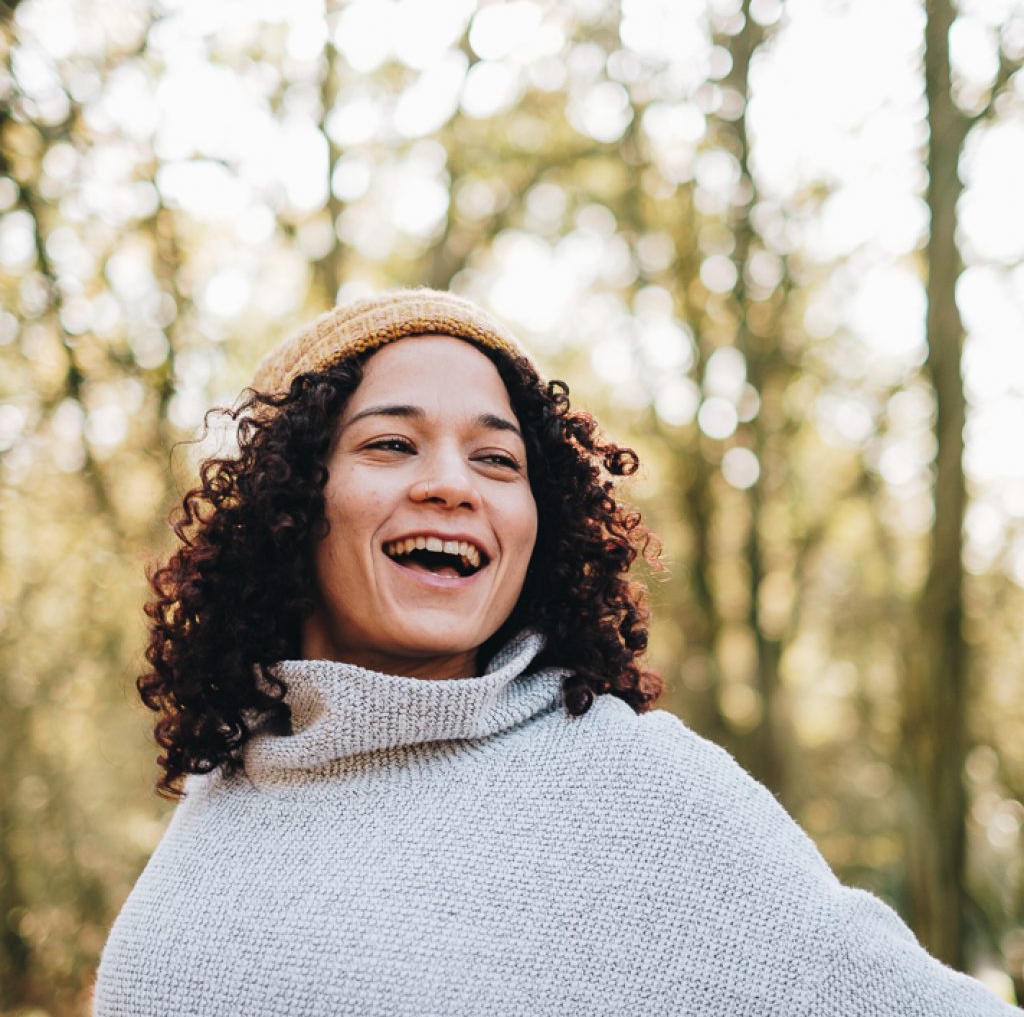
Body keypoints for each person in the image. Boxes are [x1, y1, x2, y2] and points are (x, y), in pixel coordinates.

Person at [92, 288, 1016, 1016]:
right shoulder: (224, 813)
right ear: (290, 503)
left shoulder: (651, 799)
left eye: (498, 460)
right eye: (391, 443)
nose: (452, 484)